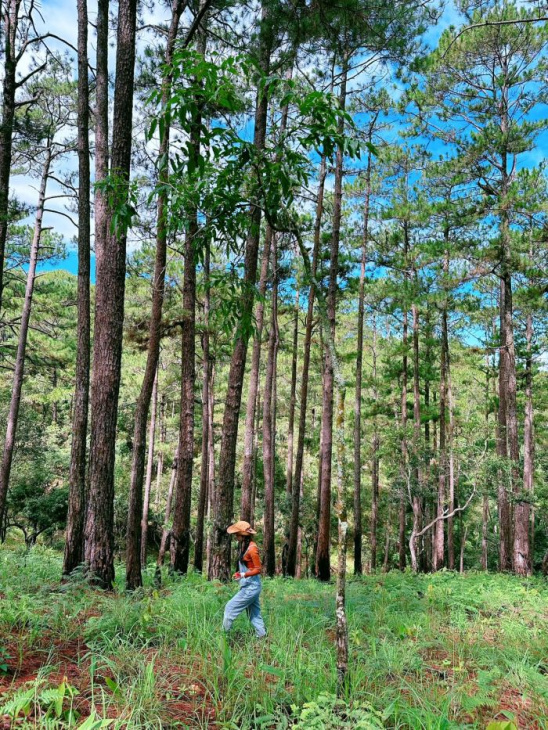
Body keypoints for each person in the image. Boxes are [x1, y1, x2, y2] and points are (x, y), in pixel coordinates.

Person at [222, 520, 267, 638]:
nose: (236, 537)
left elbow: (258, 569)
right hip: (250, 585)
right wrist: (240, 573)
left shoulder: (252, 549)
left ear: (243, 535)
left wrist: (243, 575)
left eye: (237, 535)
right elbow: (249, 567)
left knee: (229, 608)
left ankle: (224, 636)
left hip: (251, 587)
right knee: (254, 613)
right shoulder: (246, 547)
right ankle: (262, 636)